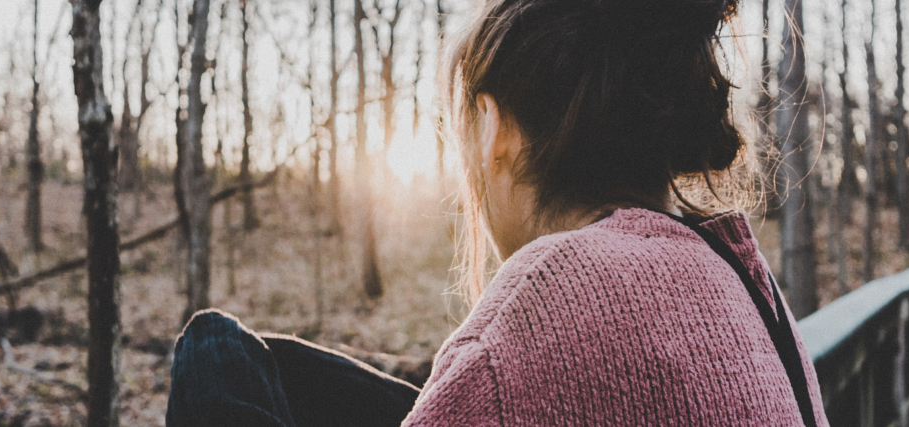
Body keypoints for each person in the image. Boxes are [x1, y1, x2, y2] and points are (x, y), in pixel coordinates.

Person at [166, 0, 829, 425]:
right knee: (274, 365)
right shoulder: (740, 274)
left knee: (213, 350)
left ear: (494, 129)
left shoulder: (556, 285)